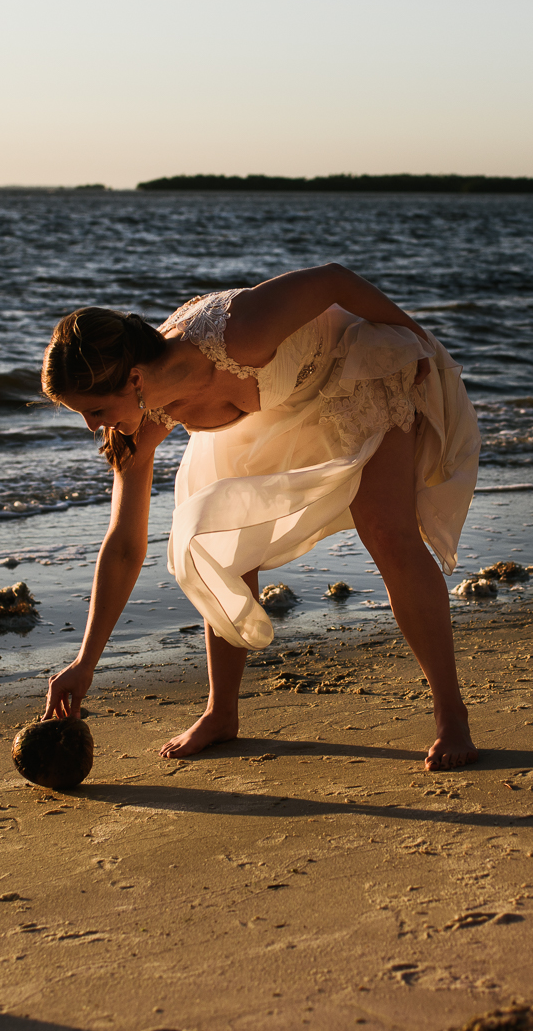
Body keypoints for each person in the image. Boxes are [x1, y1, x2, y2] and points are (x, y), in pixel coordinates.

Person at [40, 263, 482, 771]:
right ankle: (220, 713)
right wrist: (84, 663)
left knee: (387, 530)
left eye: (94, 410)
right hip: (271, 404)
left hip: (351, 369)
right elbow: (123, 546)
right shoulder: (141, 423)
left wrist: (411, 333)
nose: (94, 427)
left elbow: (334, 280)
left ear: (134, 379)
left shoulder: (238, 331)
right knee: (216, 538)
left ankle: (451, 714)